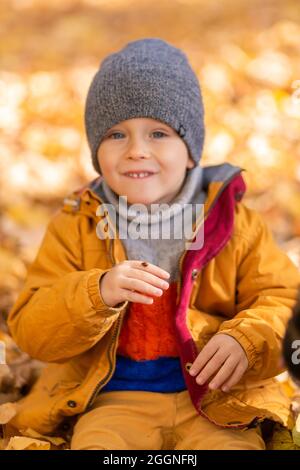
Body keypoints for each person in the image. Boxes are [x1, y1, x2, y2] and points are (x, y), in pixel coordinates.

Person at [7, 38, 300, 450]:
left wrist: (246, 340)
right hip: (113, 400)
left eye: (159, 132)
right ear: (96, 151)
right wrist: (97, 292)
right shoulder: (78, 224)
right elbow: (32, 329)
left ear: (191, 151)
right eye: (116, 135)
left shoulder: (231, 222)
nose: (137, 151)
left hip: (216, 399)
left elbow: (283, 301)